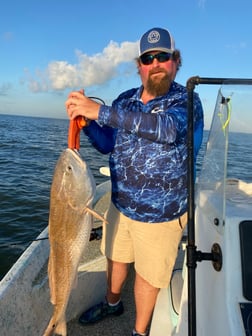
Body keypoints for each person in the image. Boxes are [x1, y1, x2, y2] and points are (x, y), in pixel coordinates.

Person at [65, 27, 204, 336]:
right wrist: (87, 122)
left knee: (148, 276)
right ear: (139, 65)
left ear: (175, 62)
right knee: (115, 256)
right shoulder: (125, 101)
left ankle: (139, 332)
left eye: (163, 57)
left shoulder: (187, 101)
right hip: (121, 204)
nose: (155, 63)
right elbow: (107, 143)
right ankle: (113, 303)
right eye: (148, 58)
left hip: (161, 215)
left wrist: (99, 109)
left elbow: (166, 130)